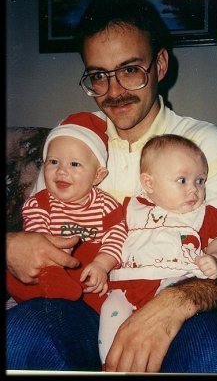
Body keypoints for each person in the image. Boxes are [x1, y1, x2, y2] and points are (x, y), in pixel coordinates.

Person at [6, 0, 217, 373]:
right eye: (97, 75)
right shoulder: (75, 138)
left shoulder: (201, 142)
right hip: (82, 304)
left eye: (129, 70)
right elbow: (40, 221)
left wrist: (172, 304)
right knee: (20, 337)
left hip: (180, 296)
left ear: (159, 64)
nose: (112, 92)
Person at [98, 134, 217, 365]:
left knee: (174, 329)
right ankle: (112, 362)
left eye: (200, 180)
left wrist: (216, 258)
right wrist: (100, 264)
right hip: (129, 284)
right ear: (149, 183)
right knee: (110, 308)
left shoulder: (204, 214)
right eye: (182, 180)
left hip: (175, 282)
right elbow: (109, 236)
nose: (194, 190)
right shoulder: (130, 208)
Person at [6, 112, 127, 308]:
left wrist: (101, 265)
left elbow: (117, 237)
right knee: (15, 278)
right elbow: (37, 236)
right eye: (53, 162)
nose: (62, 171)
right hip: (50, 268)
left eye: (75, 164)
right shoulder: (40, 202)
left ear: (98, 175)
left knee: (107, 284)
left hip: (89, 273)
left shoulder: (107, 205)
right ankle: (53, 286)